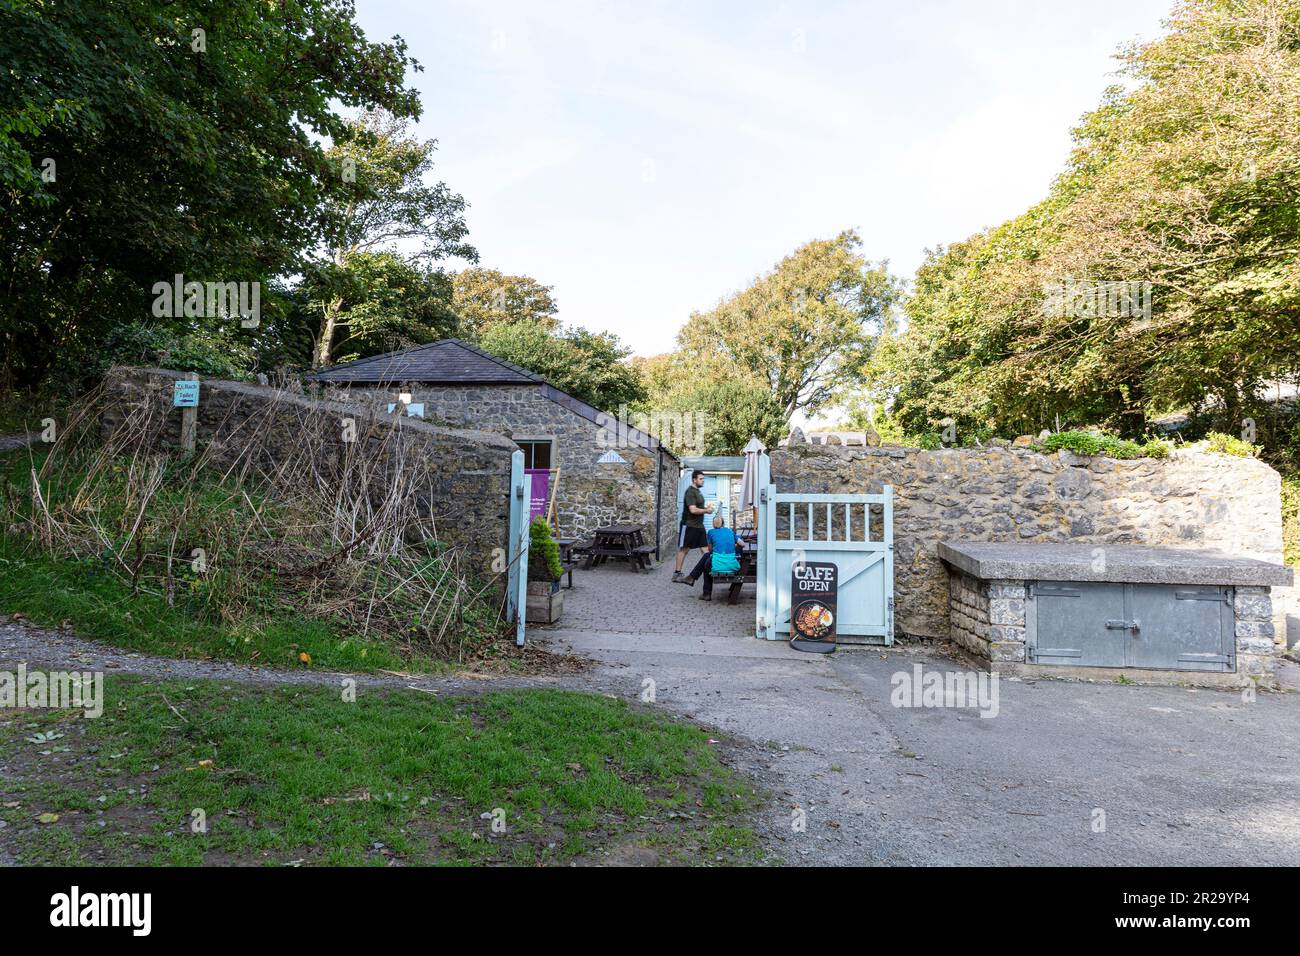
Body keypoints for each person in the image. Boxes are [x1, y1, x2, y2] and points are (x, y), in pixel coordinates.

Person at [681, 515, 743, 601]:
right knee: (707, 560)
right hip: (732, 564)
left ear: (713, 524)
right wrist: (733, 545)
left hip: (718, 565)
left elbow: (710, 550)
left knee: (706, 563)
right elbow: (742, 544)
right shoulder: (730, 531)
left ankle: (704, 591)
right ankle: (691, 578)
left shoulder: (711, 532)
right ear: (723, 524)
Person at [672, 469, 713, 582]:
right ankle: (677, 573)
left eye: (703, 478)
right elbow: (693, 510)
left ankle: (711, 572)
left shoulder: (698, 491)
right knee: (684, 549)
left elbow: (698, 507)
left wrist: (706, 508)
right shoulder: (690, 492)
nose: (703, 481)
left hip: (699, 526)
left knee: (705, 550)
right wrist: (706, 510)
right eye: (701, 479)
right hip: (689, 525)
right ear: (694, 480)